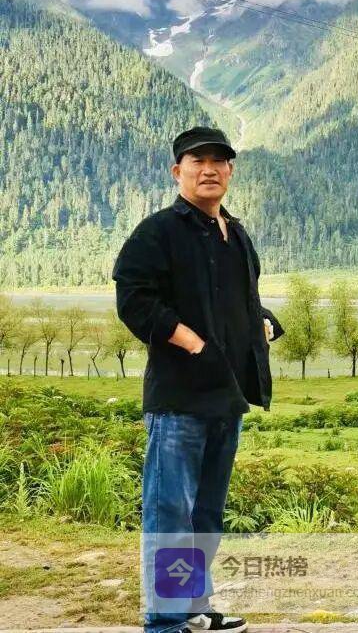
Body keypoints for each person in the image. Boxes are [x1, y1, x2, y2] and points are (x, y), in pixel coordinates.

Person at [112, 126, 285, 633]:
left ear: (230, 170)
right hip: (179, 400)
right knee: (171, 515)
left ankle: (193, 609)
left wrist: (261, 321)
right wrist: (194, 344)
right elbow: (135, 300)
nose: (208, 169)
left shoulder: (235, 233)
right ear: (177, 171)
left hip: (226, 399)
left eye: (218, 160)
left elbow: (234, 300)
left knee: (205, 515)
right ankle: (166, 622)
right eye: (197, 160)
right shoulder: (158, 231)